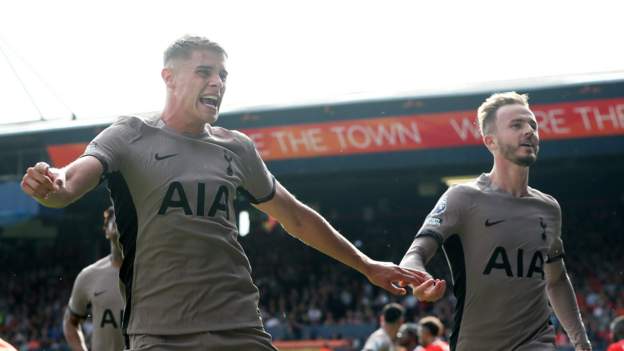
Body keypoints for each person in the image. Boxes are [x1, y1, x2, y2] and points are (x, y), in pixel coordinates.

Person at [20, 35, 425, 351]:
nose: (217, 83)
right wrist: (50, 183)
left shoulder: (237, 147)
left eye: (223, 75)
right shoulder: (130, 135)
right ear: (169, 77)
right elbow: (70, 181)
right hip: (159, 335)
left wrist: (367, 265)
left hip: (240, 327)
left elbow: (297, 217)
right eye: (204, 72)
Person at [400, 92, 592, 351]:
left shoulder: (549, 208)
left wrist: (582, 343)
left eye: (532, 125)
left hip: (537, 343)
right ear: (490, 141)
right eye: (516, 125)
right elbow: (415, 253)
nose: (529, 131)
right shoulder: (463, 198)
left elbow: (556, 280)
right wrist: (418, 277)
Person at [63, 206, 124, 351]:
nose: (119, 221)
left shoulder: (151, 274)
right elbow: (70, 323)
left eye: (126, 217)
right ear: (106, 230)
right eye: (113, 218)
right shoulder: (89, 276)